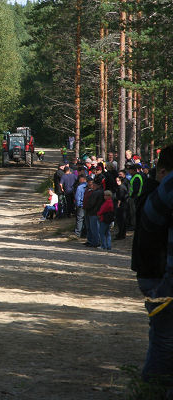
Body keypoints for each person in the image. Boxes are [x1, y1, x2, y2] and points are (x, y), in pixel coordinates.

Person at [137, 145, 173, 394]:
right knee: (164, 339)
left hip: (156, 273)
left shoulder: (158, 191)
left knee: (162, 338)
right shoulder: (159, 191)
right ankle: (152, 392)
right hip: (158, 275)